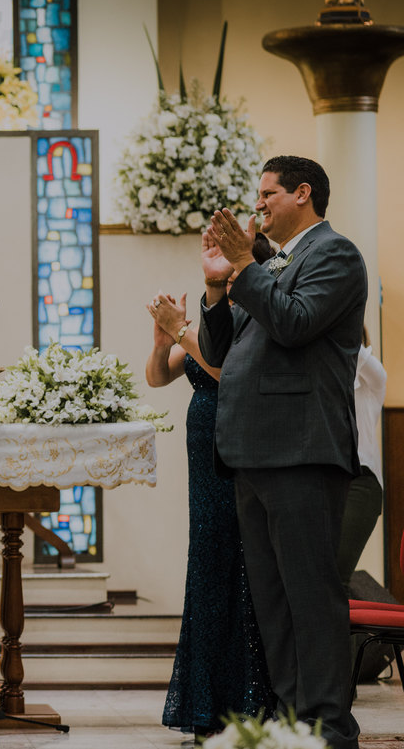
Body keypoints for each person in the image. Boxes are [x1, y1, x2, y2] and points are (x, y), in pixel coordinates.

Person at [197, 155, 364, 749]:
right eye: (258, 194)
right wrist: (218, 284)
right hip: (251, 451)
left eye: (269, 194)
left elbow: (295, 323)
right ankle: (296, 720)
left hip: (301, 449)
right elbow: (222, 348)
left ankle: (329, 726)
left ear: (303, 193)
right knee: (272, 600)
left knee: (309, 596)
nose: (258, 203)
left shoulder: (335, 255)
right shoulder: (270, 262)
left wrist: (245, 264)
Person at [145, 232, 277, 738]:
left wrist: (180, 330)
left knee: (239, 565)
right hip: (203, 452)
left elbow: (225, 371)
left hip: (239, 446)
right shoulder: (214, 313)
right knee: (207, 563)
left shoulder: (256, 315)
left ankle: (250, 699)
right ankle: (206, 703)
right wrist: (163, 342)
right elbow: (159, 378)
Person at [336, 325, 386, 591]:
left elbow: (356, 353)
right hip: (330, 481)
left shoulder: (373, 380)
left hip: (361, 483)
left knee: (336, 573)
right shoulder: (326, 384)